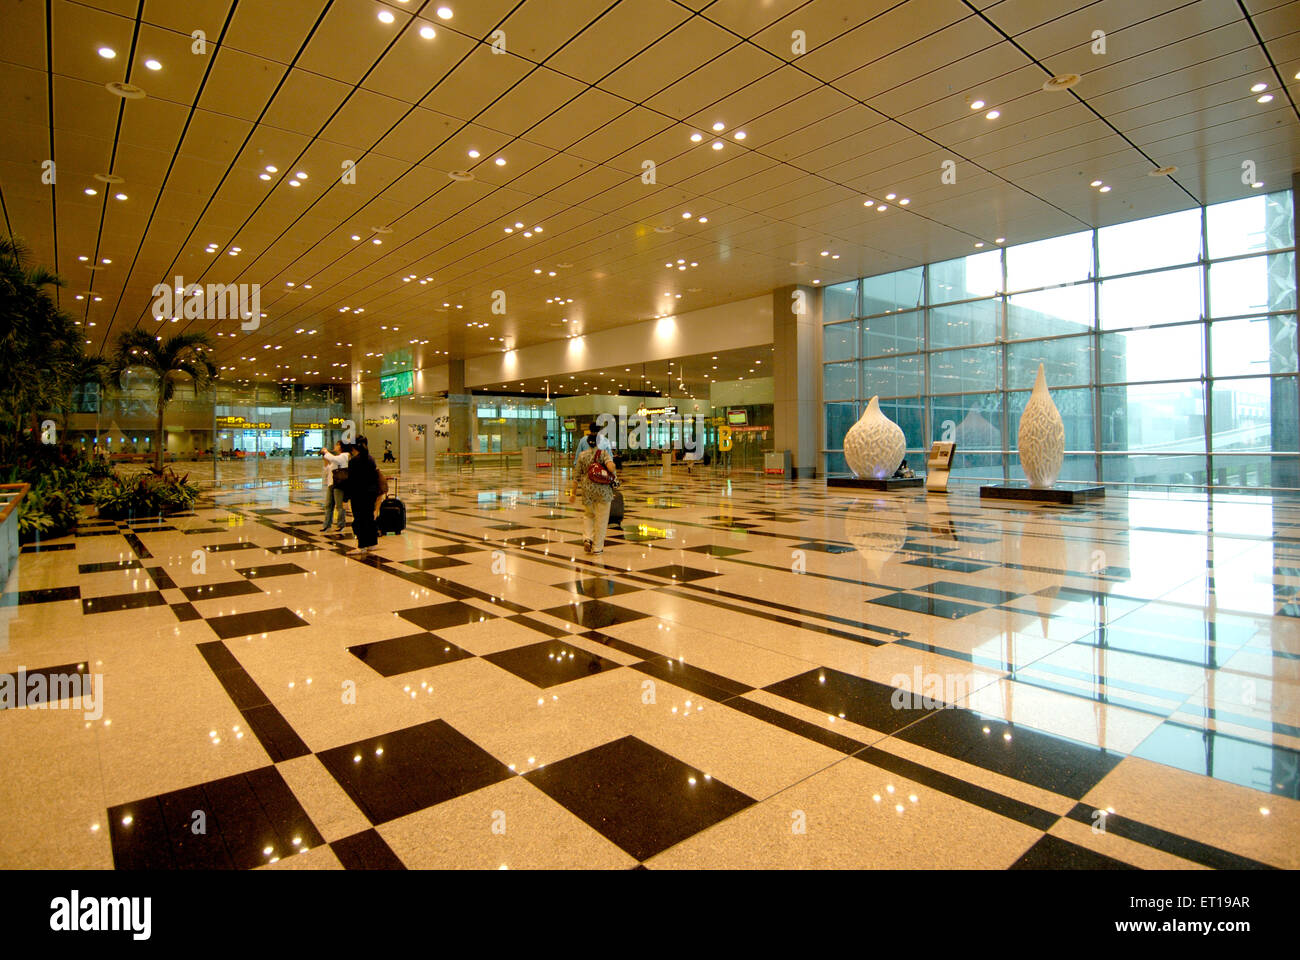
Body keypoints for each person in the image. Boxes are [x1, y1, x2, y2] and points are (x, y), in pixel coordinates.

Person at [573, 421, 618, 555]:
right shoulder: (604, 448)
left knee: (588, 515)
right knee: (602, 519)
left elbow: (576, 466)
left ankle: (587, 538)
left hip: (587, 490)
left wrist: (573, 492)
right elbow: (611, 466)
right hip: (603, 490)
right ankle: (597, 547)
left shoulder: (582, 447)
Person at [343, 437, 381, 555]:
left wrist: (345, 498)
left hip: (358, 494)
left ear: (353, 448)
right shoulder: (371, 459)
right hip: (370, 494)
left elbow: (351, 481)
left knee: (359, 519)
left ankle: (362, 545)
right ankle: (372, 543)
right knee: (369, 518)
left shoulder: (354, 461)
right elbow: (375, 477)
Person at [320, 441, 349, 532]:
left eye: (337, 445)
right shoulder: (335, 458)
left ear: (341, 446)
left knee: (339, 506)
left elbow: (335, 459)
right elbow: (328, 469)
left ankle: (341, 524)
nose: (335, 446)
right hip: (331, 484)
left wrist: (326, 452)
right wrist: (325, 460)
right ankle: (327, 524)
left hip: (339, 484)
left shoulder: (345, 455)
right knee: (328, 505)